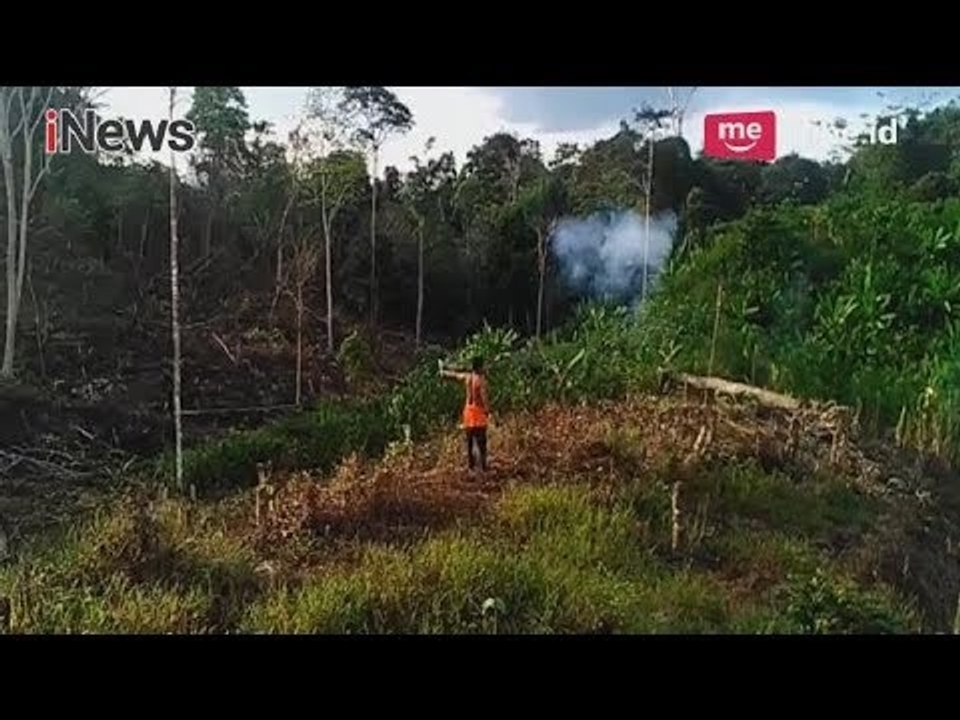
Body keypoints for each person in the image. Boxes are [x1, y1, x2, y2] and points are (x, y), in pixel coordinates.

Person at [440, 355, 491, 472]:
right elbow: (484, 398)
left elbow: (455, 376)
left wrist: (444, 372)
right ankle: (483, 467)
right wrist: (488, 411)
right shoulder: (481, 380)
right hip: (478, 412)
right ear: (480, 367)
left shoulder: (467, 377)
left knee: (469, 442)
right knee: (481, 442)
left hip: (468, 411)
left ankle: (471, 467)